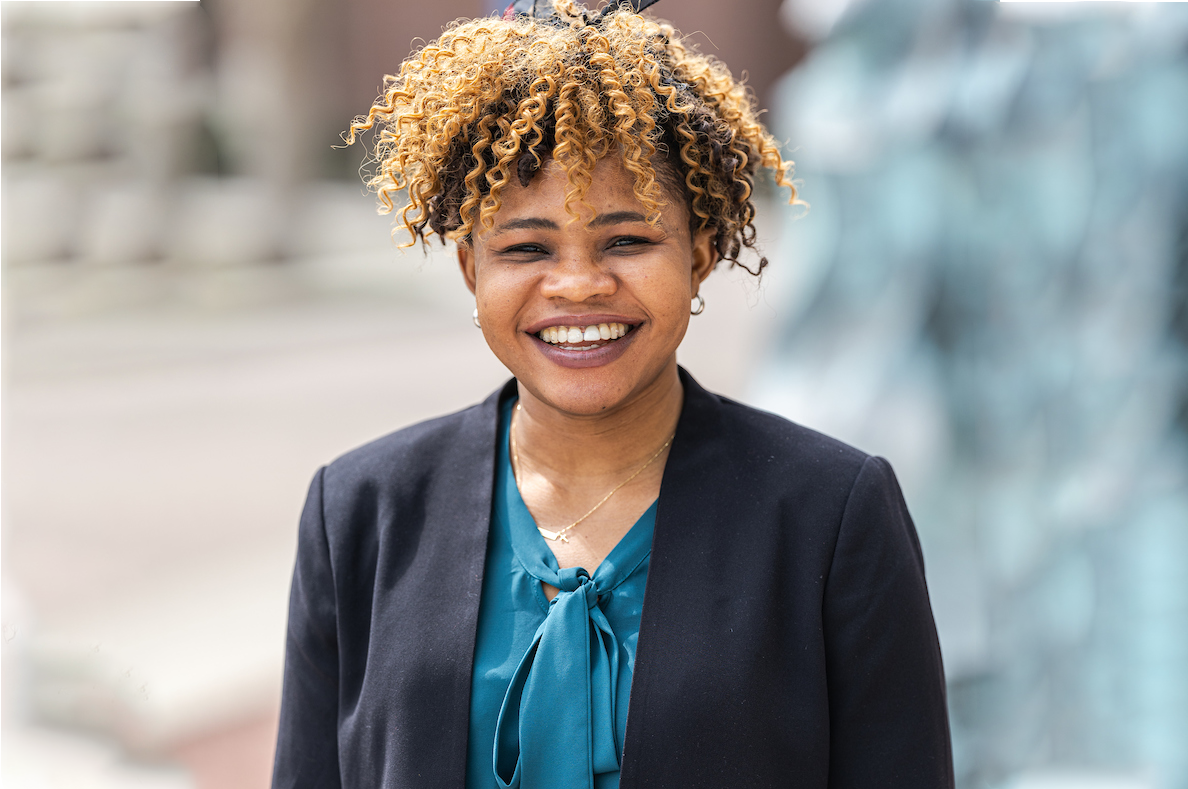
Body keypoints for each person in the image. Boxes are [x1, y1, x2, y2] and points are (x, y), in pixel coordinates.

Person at [271, 1, 954, 787]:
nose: (578, 285)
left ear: (701, 253)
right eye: (526, 247)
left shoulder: (832, 516)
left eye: (627, 240)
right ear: (470, 269)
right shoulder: (361, 512)